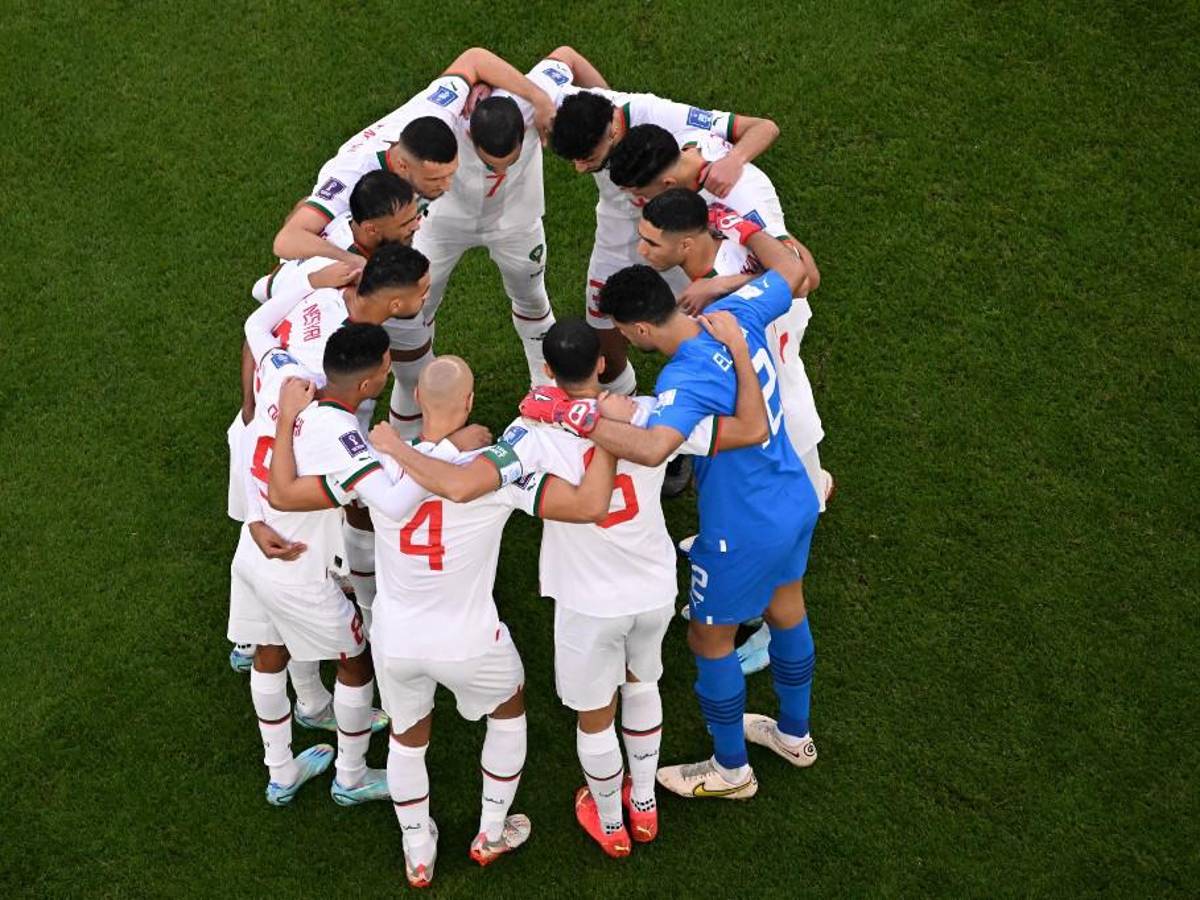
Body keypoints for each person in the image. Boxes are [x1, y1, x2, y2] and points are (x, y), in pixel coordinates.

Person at [520, 261, 820, 800]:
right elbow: (794, 270)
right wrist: (720, 284)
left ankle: (731, 771)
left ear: (636, 331)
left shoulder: (684, 380)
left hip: (743, 525)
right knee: (786, 606)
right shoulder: (735, 312)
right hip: (794, 495)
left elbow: (657, 445)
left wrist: (579, 417)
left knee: (708, 638)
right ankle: (795, 734)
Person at [340, 357, 616, 886]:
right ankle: (491, 831)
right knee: (508, 707)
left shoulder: (375, 463)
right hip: (469, 640)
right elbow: (585, 506)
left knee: (406, 737)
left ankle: (417, 852)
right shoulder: (495, 473)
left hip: (395, 639)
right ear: (468, 405)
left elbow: (355, 508)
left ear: (417, 397)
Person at [230, 323, 443, 807]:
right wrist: (420, 449)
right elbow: (389, 504)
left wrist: (255, 517)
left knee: (268, 650)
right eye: (387, 365)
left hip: (252, 551)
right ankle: (351, 776)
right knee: (354, 660)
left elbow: (247, 437)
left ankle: (281, 771)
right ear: (369, 384)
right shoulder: (343, 436)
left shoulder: (289, 382)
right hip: (298, 570)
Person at [636, 187, 831, 672]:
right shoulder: (736, 272)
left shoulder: (729, 297)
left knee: (788, 513)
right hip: (771, 399)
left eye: (651, 244)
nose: (642, 252)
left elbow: (802, 275)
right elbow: (794, 271)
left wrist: (724, 281)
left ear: (685, 244)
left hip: (781, 416)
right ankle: (738, 590)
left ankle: (764, 627)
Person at [385, 48, 606, 433]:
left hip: (517, 223)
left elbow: (566, 57)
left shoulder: (530, 102)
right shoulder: (447, 118)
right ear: (469, 134)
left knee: (533, 299)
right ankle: (411, 425)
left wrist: (560, 101)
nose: (501, 170)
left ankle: (546, 392)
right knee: (413, 316)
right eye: (491, 164)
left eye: (512, 160)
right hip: (443, 225)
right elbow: (471, 58)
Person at [547, 76, 779, 398]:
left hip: (673, 229)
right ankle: (619, 388)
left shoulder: (666, 119)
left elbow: (764, 127)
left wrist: (733, 161)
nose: (579, 168)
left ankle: (728, 382)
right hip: (627, 228)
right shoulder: (583, 107)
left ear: (613, 130)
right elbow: (564, 58)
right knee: (602, 308)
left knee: (703, 313)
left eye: (587, 158)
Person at [252, 170, 423, 304]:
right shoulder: (339, 275)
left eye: (415, 216)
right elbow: (264, 290)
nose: (416, 226)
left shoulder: (348, 215)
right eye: (405, 224)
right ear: (371, 229)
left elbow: (304, 202)